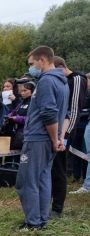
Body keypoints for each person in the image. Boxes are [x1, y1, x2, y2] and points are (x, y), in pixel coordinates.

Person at [16, 46, 69, 230]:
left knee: (27, 180)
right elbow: (64, 113)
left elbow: (49, 113)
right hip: (47, 139)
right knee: (43, 178)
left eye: (32, 64)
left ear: (43, 60)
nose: (31, 68)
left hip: (38, 138)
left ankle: (33, 222)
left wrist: (55, 139)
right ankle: (41, 218)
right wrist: (59, 137)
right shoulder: (62, 81)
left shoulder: (47, 81)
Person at [51, 56, 87, 215]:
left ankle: (57, 208)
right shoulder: (60, 81)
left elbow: (73, 110)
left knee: (59, 169)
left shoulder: (77, 79)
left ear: (59, 67)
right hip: (54, 130)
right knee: (51, 169)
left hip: (64, 132)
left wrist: (64, 135)